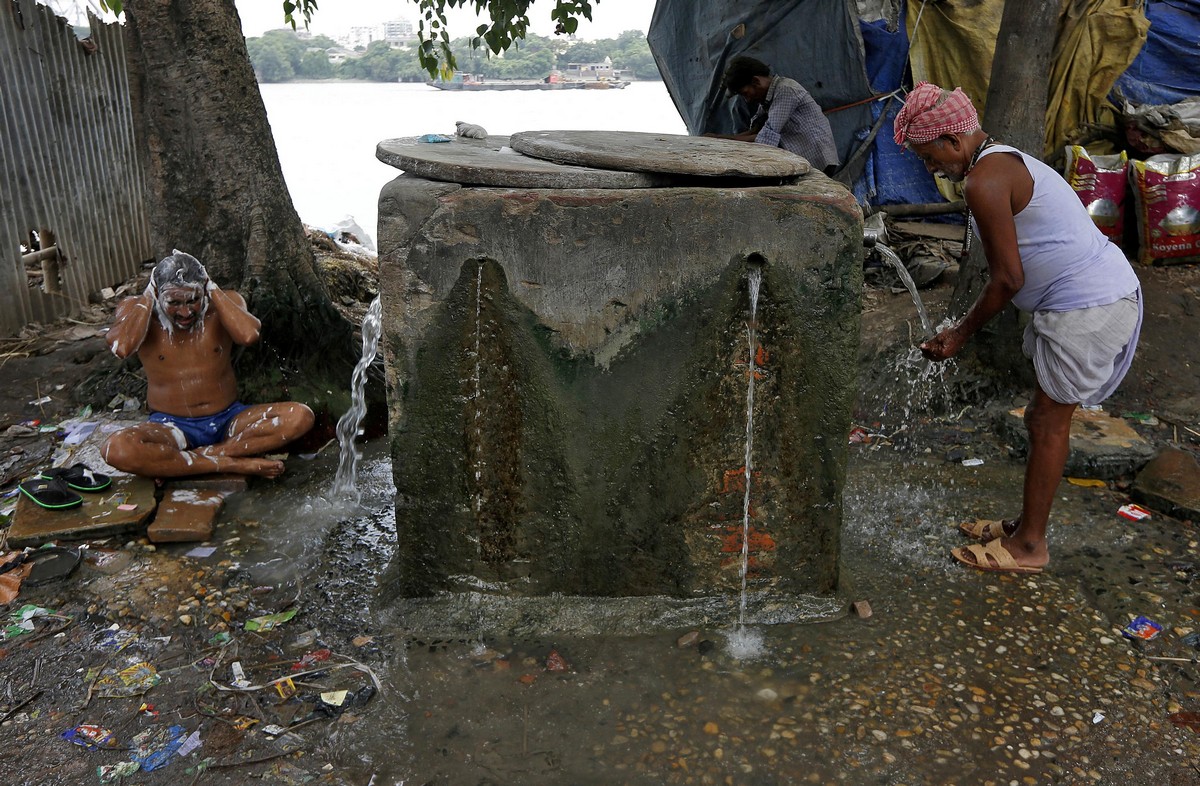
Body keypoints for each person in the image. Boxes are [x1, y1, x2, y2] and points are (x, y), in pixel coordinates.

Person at [893, 82, 1142, 574]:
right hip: (1090, 297)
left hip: (1089, 304)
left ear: (953, 141)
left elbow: (1008, 279)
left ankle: (1030, 547)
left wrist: (960, 334)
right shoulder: (999, 158)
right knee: (1040, 417)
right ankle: (1022, 528)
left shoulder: (983, 181)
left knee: (1049, 422)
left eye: (930, 157)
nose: (931, 169)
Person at [102, 250, 315, 479]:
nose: (185, 312)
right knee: (117, 449)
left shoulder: (226, 302)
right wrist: (147, 296)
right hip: (170, 425)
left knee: (300, 416)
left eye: (193, 300)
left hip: (229, 420)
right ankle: (229, 464)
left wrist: (211, 288)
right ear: (157, 294)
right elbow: (122, 347)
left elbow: (248, 335)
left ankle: (211, 455)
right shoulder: (137, 309)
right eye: (173, 302)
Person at [708, 55, 839, 175]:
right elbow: (756, 129)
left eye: (746, 93)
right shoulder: (768, 99)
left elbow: (767, 136)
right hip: (806, 158)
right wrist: (722, 138)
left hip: (817, 159)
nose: (747, 100)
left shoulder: (786, 90)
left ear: (755, 81)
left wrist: (722, 139)